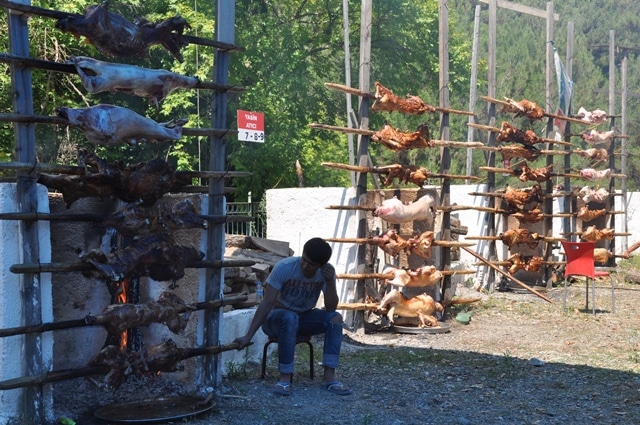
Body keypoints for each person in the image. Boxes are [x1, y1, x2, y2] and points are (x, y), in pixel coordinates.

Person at [234, 237, 352, 396]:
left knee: (335, 318)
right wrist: (248, 336)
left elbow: (331, 308)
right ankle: (284, 378)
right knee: (289, 317)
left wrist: (330, 282)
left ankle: (329, 378)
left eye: (311, 264)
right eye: (304, 260)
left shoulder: (326, 273)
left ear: (320, 266)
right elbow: (266, 304)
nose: (305, 265)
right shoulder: (285, 267)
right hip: (275, 319)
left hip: (303, 318)